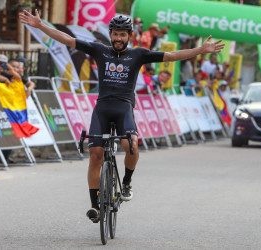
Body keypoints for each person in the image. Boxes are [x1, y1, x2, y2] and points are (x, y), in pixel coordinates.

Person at [20, 10, 224, 223]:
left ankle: (126, 183)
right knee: (96, 155)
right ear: (110, 34)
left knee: (132, 146)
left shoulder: (139, 54)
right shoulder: (99, 50)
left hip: (124, 108)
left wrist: (201, 50)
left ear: (130, 35)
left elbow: (172, 56)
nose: (118, 38)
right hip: (102, 109)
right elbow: (69, 40)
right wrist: (41, 26)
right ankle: (94, 206)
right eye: (115, 34)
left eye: (122, 35)